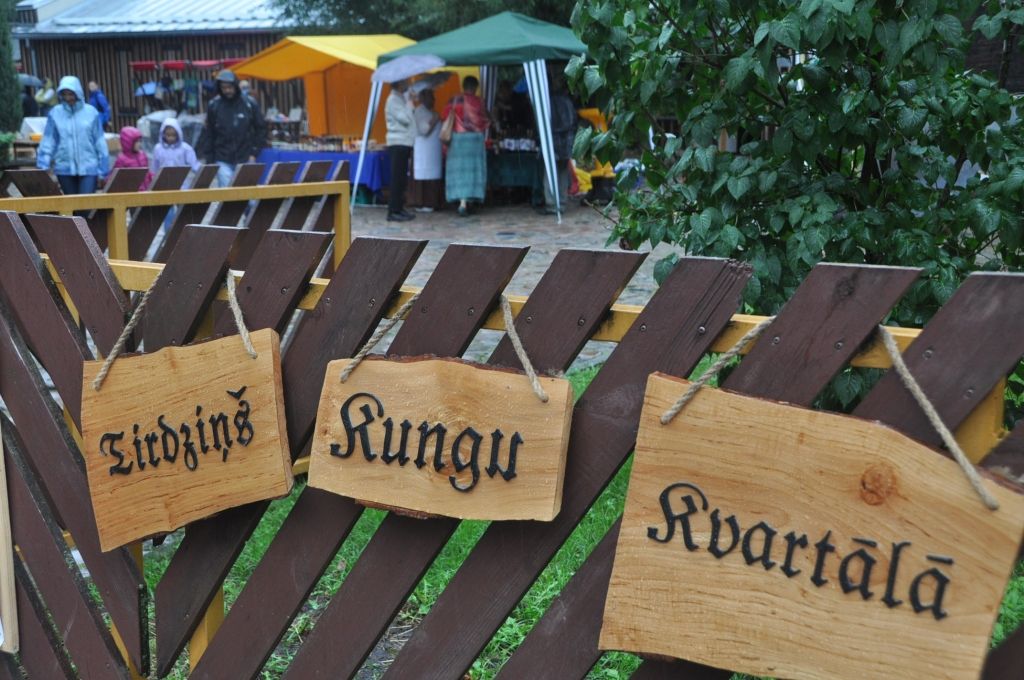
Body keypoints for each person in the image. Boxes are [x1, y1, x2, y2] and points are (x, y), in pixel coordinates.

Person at [36, 75, 109, 195]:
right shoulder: (55, 113)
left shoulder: (91, 113)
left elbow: (99, 141)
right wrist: (43, 165)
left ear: (78, 93)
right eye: (64, 94)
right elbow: (49, 141)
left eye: (71, 94)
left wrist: (103, 170)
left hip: (89, 167)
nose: (68, 97)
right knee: (72, 209)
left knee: (86, 207)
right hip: (64, 168)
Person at [198, 69, 267, 187]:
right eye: (224, 88)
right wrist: (210, 160)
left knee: (249, 197)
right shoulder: (214, 106)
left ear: (235, 85)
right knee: (228, 196)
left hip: (245, 156)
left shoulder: (249, 104)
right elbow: (209, 133)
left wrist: (254, 153)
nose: (227, 90)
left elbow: (261, 128)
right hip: (222, 158)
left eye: (230, 87)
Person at [442, 75, 490, 217]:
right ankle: (470, 201)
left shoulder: (454, 100)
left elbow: (444, 117)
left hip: (457, 141)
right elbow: (485, 120)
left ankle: (462, 202)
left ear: (463, 86)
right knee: (473, 172)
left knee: (459, 172)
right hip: (474, 141)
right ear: (475, 87)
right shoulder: (479, 101)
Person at [545, 77, 579, 214]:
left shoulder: (548, 101)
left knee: (549, 172)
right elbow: (573, 121)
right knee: (563, 172)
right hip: (566, 140)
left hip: (552, 140)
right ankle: (562, 201)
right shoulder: (567, 101)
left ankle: (551, 203)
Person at [384, 79, 415, 221]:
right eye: (405, 82)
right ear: (398, 84)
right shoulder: (393, 100)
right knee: (397, 178)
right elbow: (405, 119)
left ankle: (400, 207)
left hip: (405, 142)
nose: (408, 84)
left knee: (402, 178)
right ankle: (393, 211)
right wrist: (410, 105)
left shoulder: (401, 98)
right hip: (397, 142)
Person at [408, 88, 443, 211]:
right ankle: (423, 203)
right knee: (424, 176)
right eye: (431, 97)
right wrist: (435, 119)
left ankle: (431, 202)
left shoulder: (430, 111)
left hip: (433, 151)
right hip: (423, 151)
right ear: (423, 98)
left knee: (432, 177)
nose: (434, 100)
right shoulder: (419, 112)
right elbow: (424, 130)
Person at [112, 126, 152, 190]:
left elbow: (148, 173)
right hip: (131, 194)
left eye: (139, 141)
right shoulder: (121, 159)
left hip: (146, 192)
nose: (139, 144)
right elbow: (115, 179)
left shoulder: (143, 155)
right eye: (136, 141)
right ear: (128, 142)